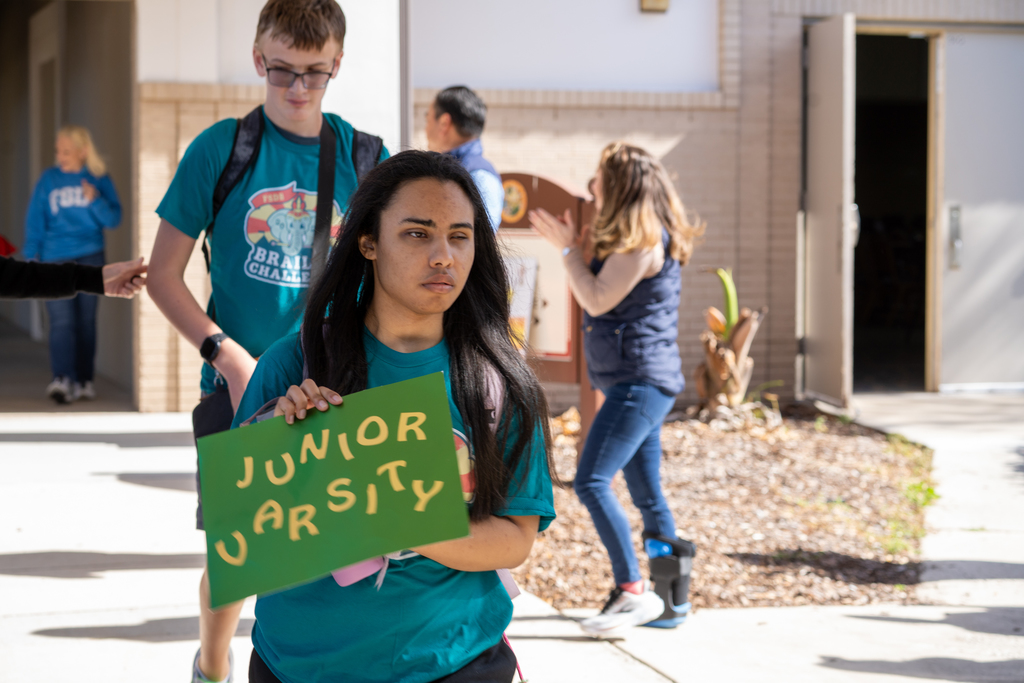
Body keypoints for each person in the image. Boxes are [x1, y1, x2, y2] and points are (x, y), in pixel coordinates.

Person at [231, 150, 555, 683]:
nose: (443, 256)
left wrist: (390, 520)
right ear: (368, 243)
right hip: (297, 667)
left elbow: (515, 539)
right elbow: (243, 533)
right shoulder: (294, 364)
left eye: (460, 235)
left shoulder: (500, 382)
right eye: (417, 234)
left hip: (455, 662)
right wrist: (281, 447)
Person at [145, 1, 388, 681]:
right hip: (240, 383)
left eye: (315, 72)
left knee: (335, 554)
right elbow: (163, 274)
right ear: (259, 59)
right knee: (239, 557)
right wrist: (224, 353)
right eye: (282, 70)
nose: (298, 87)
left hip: (336, 387)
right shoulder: (222, 150)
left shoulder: (368, 160)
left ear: (338, 63)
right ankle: (214, 662)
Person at [529, 142, 703, 637]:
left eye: (599, 180)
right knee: (647, 493)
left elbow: (598, 299)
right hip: (641, 382)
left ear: (620, 186)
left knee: (590, 480)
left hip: (638, 384)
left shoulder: (641, 244)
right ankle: (672, 602)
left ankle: (631, 589)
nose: (592, 188)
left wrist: (567, 250)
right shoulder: (641, 239)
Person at [23, 124, 123, 404]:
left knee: (85, 322)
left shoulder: (99, 179)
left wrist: (95, 201)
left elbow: (114, 219)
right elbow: (35, 221)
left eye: (66, 151)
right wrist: (31, 259)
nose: (60, 155)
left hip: (91, 257)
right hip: (54, 258)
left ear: (83, 151)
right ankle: (62, 379)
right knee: (61, 321)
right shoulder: (49, 180)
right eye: (58, 150)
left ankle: (83, 381)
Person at [424, 86, 504, 231]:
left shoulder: (479, 176)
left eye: (427, 119)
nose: (426, 129)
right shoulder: (471, 171)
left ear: (444, 123)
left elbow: (482, 243)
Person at [0, 255, 146, 299]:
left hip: (89, 253)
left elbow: (10, 275)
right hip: (54, 253)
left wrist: (96, 278)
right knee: (63, 323)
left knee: (86, 324)